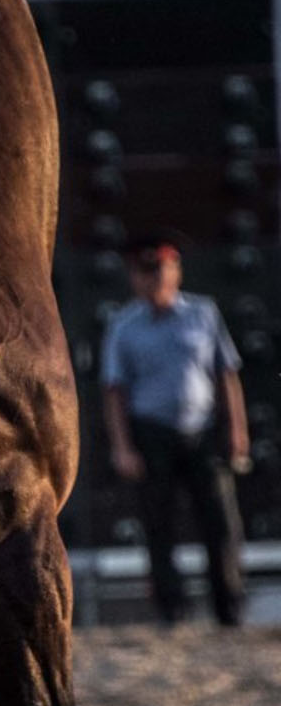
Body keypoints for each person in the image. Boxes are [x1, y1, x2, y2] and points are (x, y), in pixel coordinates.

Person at [101, 237, 251, 628]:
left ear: (176, 270)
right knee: (159, 526)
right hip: (152, 435)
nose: (153, 278)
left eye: (160, 268)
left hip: (203, 431)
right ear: (134, 277)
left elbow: (226, 375)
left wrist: (237, 430)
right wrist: (122, 447)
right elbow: (114, 392)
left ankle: (228, 609)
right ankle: (172, 611)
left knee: (220, 523)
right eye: (144, 271)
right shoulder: (123, 325)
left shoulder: (203, 314)